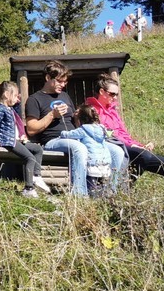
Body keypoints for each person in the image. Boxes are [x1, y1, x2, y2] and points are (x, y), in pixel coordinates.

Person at [24, 60, 125, 197]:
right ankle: (80, 196)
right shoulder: (34, 99)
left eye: (65, 82)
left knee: (117, 151)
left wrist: (79, 116)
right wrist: (52, 115)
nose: (63, 85)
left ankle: (111, 193)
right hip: (54, 141)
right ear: (48, 78)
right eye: (60, 81)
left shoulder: (65, 96)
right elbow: (31, 128)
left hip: (76, 136)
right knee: (79, 148)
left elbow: (75, 122)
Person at [85, 72, 164, 197]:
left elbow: (124, 134)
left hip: (127, 146)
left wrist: (139, 145)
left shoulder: (112, 111)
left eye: (117, 95)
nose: (114, 98)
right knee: (143, 156)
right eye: (112, 94)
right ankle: (122, 193)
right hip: (111, 147)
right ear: (102, 92)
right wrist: (134, 147)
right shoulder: (91, 110)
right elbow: (107, 135)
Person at [0, 81, 49, 197]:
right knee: (30, 158)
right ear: (6, 95)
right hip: (6, 141)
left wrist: (16, 102)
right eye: (15, 95)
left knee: (37, 149)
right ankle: (28, 188)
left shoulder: (9, 109)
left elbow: (16, 113)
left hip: (14, 140)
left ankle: (36, 175)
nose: (17, 98)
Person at [59, 104, 112, 192]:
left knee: (92, 190)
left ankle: (92, 203)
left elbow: (69, 134)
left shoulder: (83, 130)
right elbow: (109, 134)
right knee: (103, 190)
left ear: (81, 119)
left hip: (92, 164)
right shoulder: (101, 128)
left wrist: (62, 133)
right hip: (105, 164)